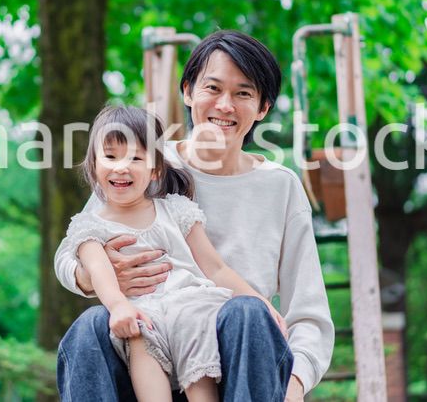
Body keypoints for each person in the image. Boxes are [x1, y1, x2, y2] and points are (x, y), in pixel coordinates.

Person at [55, 30, 334, 402]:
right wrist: (94, 275)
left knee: (248, 312)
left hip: (243, 367)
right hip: (151, 355)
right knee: (89, 326)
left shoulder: (281, 187)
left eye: (243, 93)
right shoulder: (144, 163)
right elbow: (69, 253)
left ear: (263, 108)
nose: (225, 105)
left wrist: (293, 386)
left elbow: (309, 314)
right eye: (212, 88)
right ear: (187, 91)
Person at [63, 105, 288, 401]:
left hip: (191, 306)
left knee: (196, 337)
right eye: (110, 156)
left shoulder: (175, 210)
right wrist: (119, 306)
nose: (121, 167)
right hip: (143, 314)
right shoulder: (89, 226)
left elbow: (215, 268)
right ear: (93, 164)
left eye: (135, 158)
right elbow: (99, 272)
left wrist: (261, 302)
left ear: (155, 169)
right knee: (139, 340)